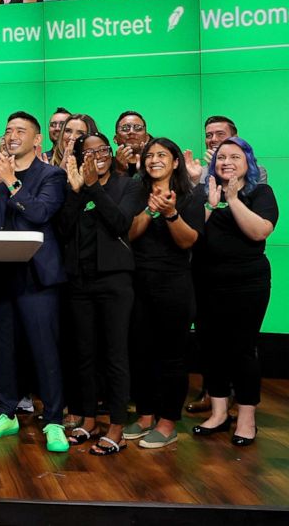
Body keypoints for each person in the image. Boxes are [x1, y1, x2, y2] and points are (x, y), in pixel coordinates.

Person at [0, 112, 69, 453]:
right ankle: (6, 411)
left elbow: (40, 213)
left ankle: (55, 419)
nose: (11, 135)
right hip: (0, 273)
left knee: (45, 350)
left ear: (38, 139)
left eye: (20, 131)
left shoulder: (52, 175)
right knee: (3, 349)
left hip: (37, 276)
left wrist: (12, 182)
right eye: (8, 130)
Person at [57, 133, 142, 455]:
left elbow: (121, 223)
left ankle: (117, 427)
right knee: (84, 355)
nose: (96, 156)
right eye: (88, 152)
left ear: (111, 153)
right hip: (79, 281)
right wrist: (79, 191)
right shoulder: (73, 186)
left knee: (115, 355)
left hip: (114, 281)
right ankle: (89, 419)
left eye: (102, 150)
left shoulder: (128, 185)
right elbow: (63, 229)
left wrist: (93, 187)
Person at [192, 137, 277, 446]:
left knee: (242, 349)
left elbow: (259, 231)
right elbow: (192, 236)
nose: (226, 161)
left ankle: (246, 416)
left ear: (248, 163)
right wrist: (210, 205)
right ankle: (217, 413)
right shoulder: (205, 194)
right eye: (220, 157)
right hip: (205, 281)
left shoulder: (260, 192)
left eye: (234, 156)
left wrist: (234, 200)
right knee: (210, 347)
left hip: (247, 283)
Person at [125, 137, 204, 449]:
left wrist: (170, 213)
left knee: (172, 356)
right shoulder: (136, 191)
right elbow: (129, 233)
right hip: (138, 281)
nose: (154, 159)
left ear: (175, 162)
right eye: (149, 155)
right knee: (140, 352)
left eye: (162, 155)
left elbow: (188, 241)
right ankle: (145, 416)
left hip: (174, 283)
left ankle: (168, 421)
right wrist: (150, 209)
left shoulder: (189, 196)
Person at [185, 115, 268, 186]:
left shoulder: (256, 171)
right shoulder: (197, 173)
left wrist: (217, 169)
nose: (213, 139)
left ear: (235, 138)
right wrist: (195, 179)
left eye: (220, 134)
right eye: (209, 135)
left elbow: (253, 202)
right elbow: (193, 203)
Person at [113, 111, 150, 177]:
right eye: (125, 128)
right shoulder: (106, 165)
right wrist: (119, 170)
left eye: (138, 128)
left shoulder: (156, 163)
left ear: (147, 138)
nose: (131, 132)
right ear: (115, 139)